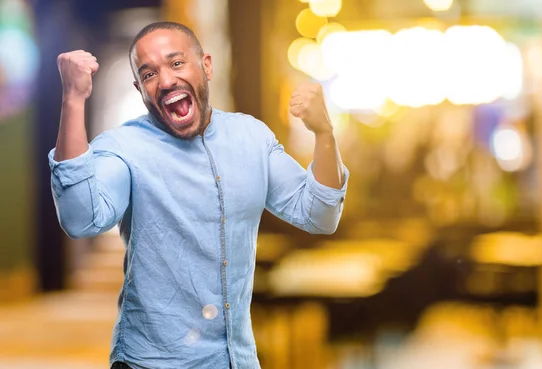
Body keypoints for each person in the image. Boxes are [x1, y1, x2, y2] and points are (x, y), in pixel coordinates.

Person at [50, 21, 348, 369]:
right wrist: (73, 99)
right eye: (148, 74)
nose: (164, 81)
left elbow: (320, 214)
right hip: (152, 363)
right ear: (139, 89)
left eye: (176, 63)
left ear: (206, 65)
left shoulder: (251, 137)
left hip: (236, 361)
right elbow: (80, 219)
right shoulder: (124, 147)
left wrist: (324, 134)